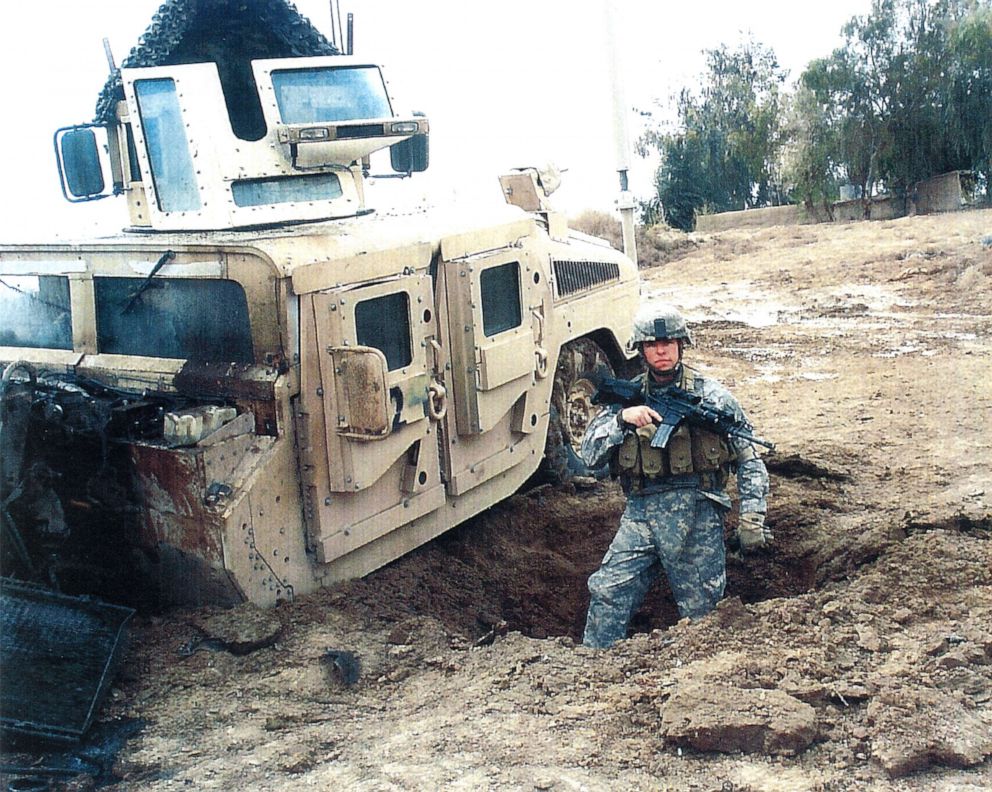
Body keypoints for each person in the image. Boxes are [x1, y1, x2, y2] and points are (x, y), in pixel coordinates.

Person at [580, 305, 770, 648]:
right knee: (607, 591)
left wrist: (753, 517)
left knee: (703, 618)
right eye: (652, 344)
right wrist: (622, 419)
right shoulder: (627, 397)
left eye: (668, 342)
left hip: (698, 512)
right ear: (641, 349)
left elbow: (750, 458)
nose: (661, 351)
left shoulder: (712, 397)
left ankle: (702, 683)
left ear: (682, 345)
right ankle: (592, 667)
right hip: (642, 513)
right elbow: (589, 456)